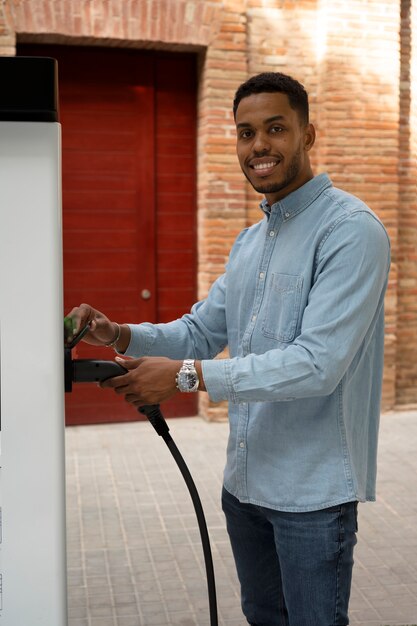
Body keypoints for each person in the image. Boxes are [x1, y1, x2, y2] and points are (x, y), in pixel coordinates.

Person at [66, 72, 391, 626]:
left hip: (311, 499)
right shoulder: (250, 241)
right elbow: (200, 331)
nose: (258, 145)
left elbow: (318, 365)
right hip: (244, 487)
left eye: (275, 128)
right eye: (245, 133)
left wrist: (186, 378)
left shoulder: (350, 231)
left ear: (308, 135)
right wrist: (117, 334)